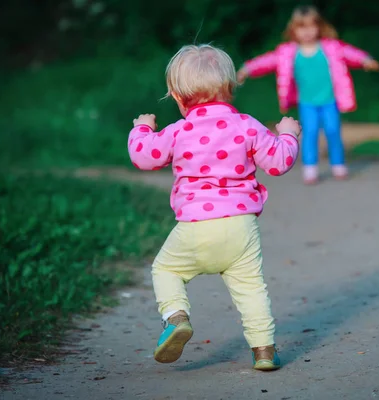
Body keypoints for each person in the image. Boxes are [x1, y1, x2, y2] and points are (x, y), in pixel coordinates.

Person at [127, 44, 301, 371]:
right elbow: (278, 162)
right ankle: (264, 351)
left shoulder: (179, 131)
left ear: (177, 97)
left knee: (165, 270)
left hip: (195, 226)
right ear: (230, 90)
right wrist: (289, 135)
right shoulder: (247, 126)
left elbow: (142, 156)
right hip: (240, 226)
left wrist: (142, 128)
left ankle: (176, 316)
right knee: (251, 289)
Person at [237, 5, 379, 185]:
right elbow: (266, 61)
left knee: (333, 131)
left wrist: (365, 60)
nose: (306, 31)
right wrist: (247, 69)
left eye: (311, 26)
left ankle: (338, 164)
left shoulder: (331, 47)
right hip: (307, 103)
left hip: (330, 100)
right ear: (293, 29)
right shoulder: (288, 52)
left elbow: (350, 52)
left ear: (319, 27)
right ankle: (310, 168)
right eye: (301, 27)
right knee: (310, 133)